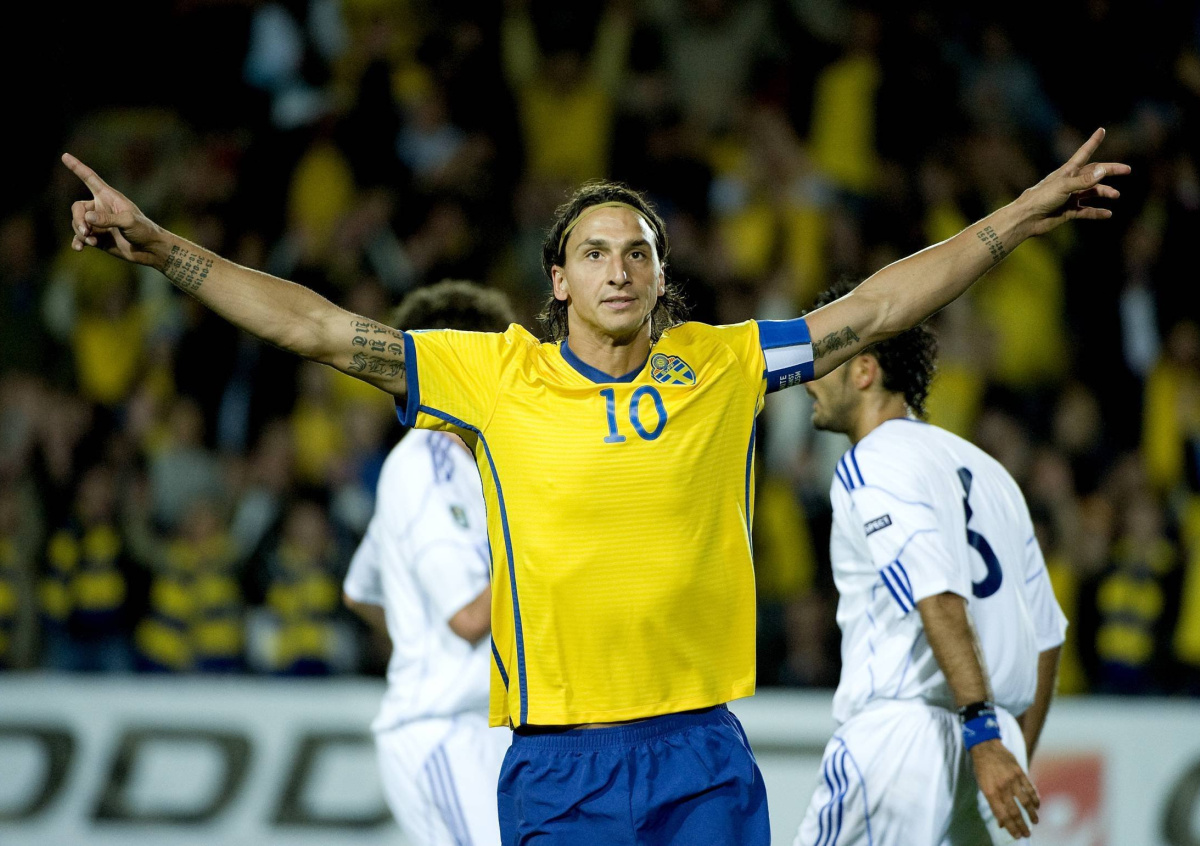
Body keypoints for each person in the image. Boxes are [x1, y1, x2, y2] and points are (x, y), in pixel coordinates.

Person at [63, 128, 1125, 845]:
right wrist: (163, 251)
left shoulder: (723, 364)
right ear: (558, 280)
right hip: (559, 767)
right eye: (595, 252)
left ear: (661, 277)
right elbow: (317, 327)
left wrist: (1022, 212)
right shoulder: (495, 376)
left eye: (640, 252)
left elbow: (882, 306)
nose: (619, 269)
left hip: (703, 754)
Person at [794, 282, 1067, 846]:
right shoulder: (990, 472)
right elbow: (1047, 638)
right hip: (988, 738)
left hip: (906, 737)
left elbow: (936, 594)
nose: (807, 379)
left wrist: (984, 736)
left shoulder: (873, 461)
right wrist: (1004, 747)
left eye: (823, 360)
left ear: (864, 370)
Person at [342, 280, 516, 846]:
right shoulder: (429, 465)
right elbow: (468, 617)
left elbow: (361, 591)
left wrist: (417, 642)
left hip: (484, 727)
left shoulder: (472, 459)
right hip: (451, 732)